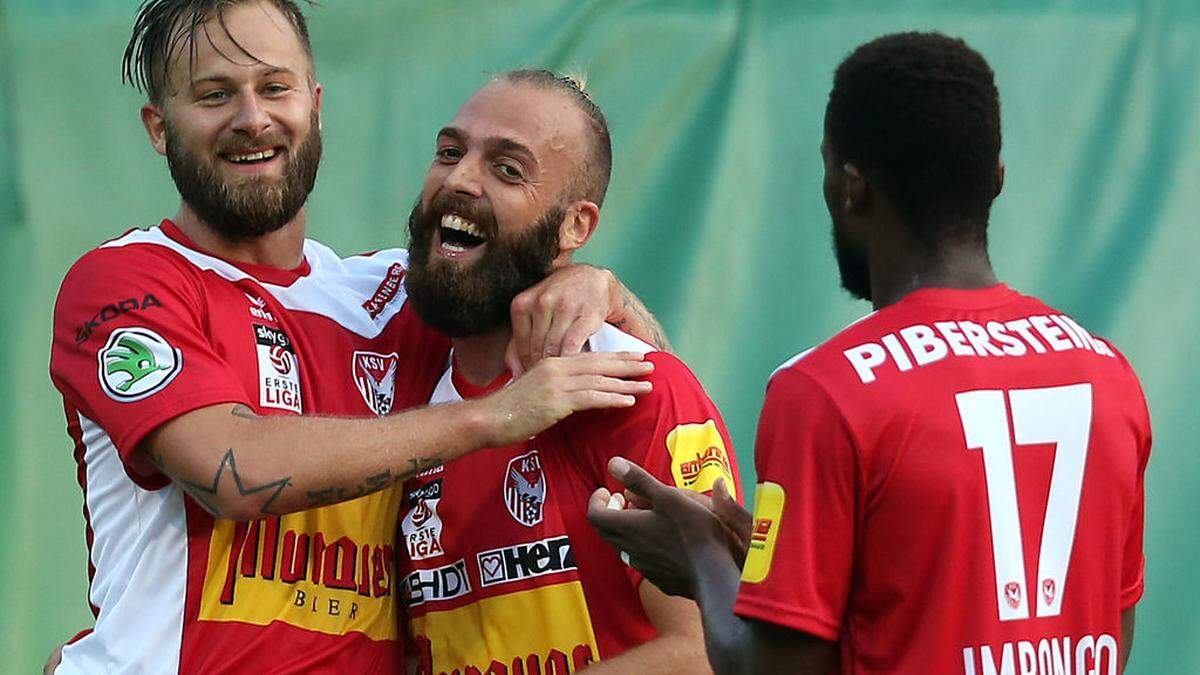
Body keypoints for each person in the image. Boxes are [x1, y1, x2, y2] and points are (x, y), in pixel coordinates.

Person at [48, 1, 670, 672]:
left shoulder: (404, 298)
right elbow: (233, 474)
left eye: (274, 87)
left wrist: (602, 287)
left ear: (314, 104)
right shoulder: (124, 283)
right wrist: (493, 416)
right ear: (159, 127)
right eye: (213, 94)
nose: (252, 117)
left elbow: (643, 362)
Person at [589, 32, 1150, 675]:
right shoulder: (1108, 375)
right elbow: (1105, 629)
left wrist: (699, 559)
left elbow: (773, 671)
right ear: (994, 180)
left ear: (850, 187)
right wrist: (775, 566)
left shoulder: (826, 390)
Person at [396, 70, 740, 674]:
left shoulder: (633, 388)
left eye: (507, 169)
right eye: (450, 152)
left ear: (575, 227)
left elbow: (710, 651)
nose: (457, 179)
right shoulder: (397, 386)